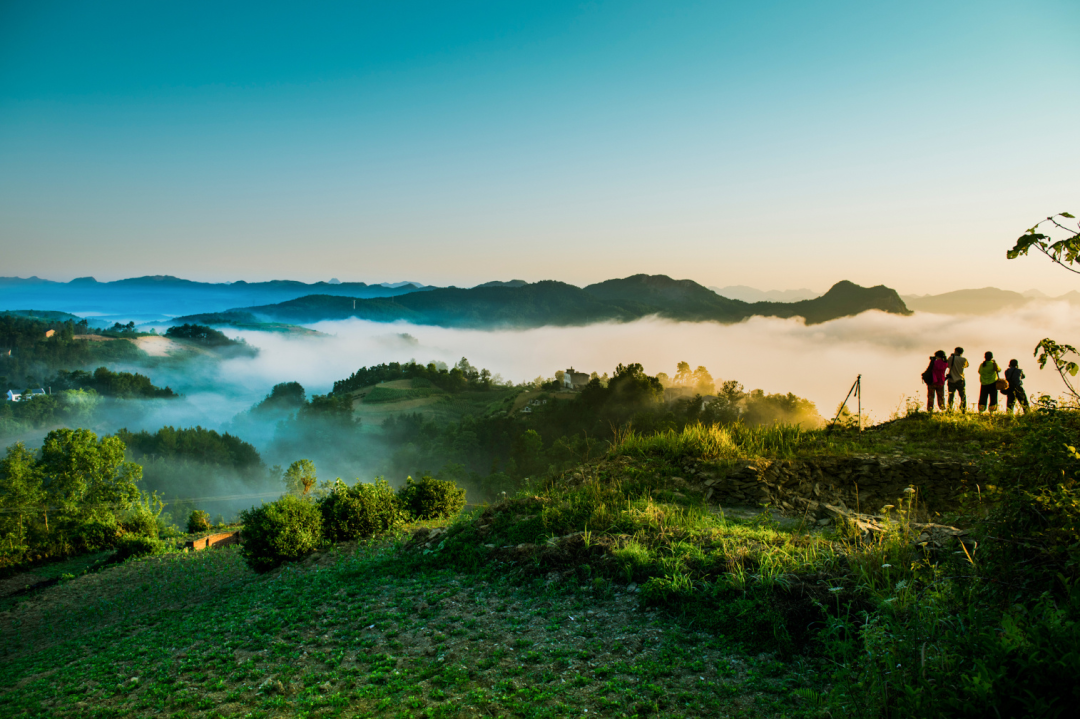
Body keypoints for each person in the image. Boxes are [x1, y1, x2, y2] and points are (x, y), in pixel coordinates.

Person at [947, 347, 969, 412]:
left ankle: (949, 409)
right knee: (962, 395)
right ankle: (963, 409)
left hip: (951, 380)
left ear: (955, 351)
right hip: (960, 379)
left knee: (951, 396)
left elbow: (948, 366)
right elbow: (966, 366)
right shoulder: (964, 359)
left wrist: (952, 356)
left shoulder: (951, 358)